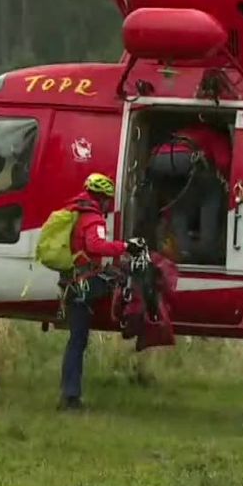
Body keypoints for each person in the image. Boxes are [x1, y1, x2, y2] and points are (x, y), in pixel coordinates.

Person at [57, 172, 145, 411]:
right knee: (78, 340)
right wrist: (126, 247)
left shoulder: (75, 211)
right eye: (108, 199)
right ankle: (71, 397)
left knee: (76, 340)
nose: (108, 204)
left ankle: (69, 394)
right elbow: (95, 245)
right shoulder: (93, 218)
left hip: (72, 280)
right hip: (81, 284)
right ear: (102, 197)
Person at [147, 123, 232, 264]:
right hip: (186, 162)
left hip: (159, 162)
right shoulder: (214, 134)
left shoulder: (181, 132)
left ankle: (183, 250)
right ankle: (208, 249)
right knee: (210, 198)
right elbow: (223, 161)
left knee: (179, 207)